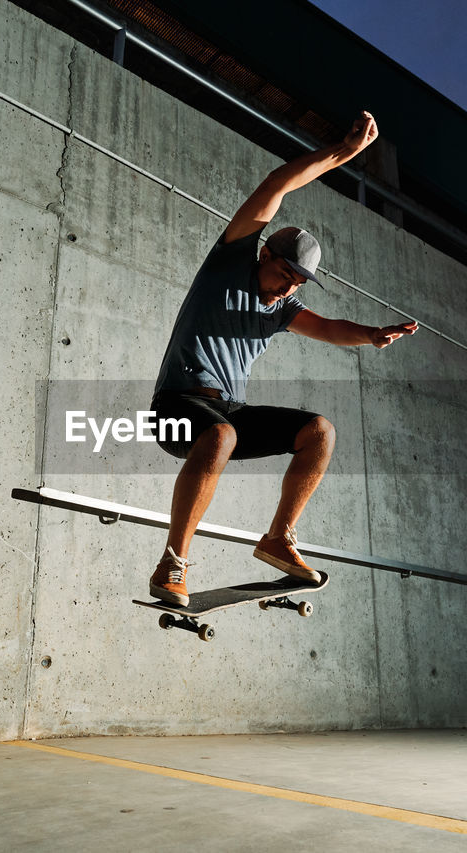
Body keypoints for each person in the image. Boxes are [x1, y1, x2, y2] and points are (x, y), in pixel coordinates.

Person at [148, 110, 418, 605]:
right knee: (220, 433)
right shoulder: (229, 261)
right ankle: (173, 561)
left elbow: (329, 328)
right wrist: (344, 154)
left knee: (319, 431)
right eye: (284, 274)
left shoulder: (281, 308)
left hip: (226, 412)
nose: (289, 286)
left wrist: (372, 334)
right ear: (264, 255)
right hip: (174, 408)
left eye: (299, 281)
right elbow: (279, 183)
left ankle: (277, 537)